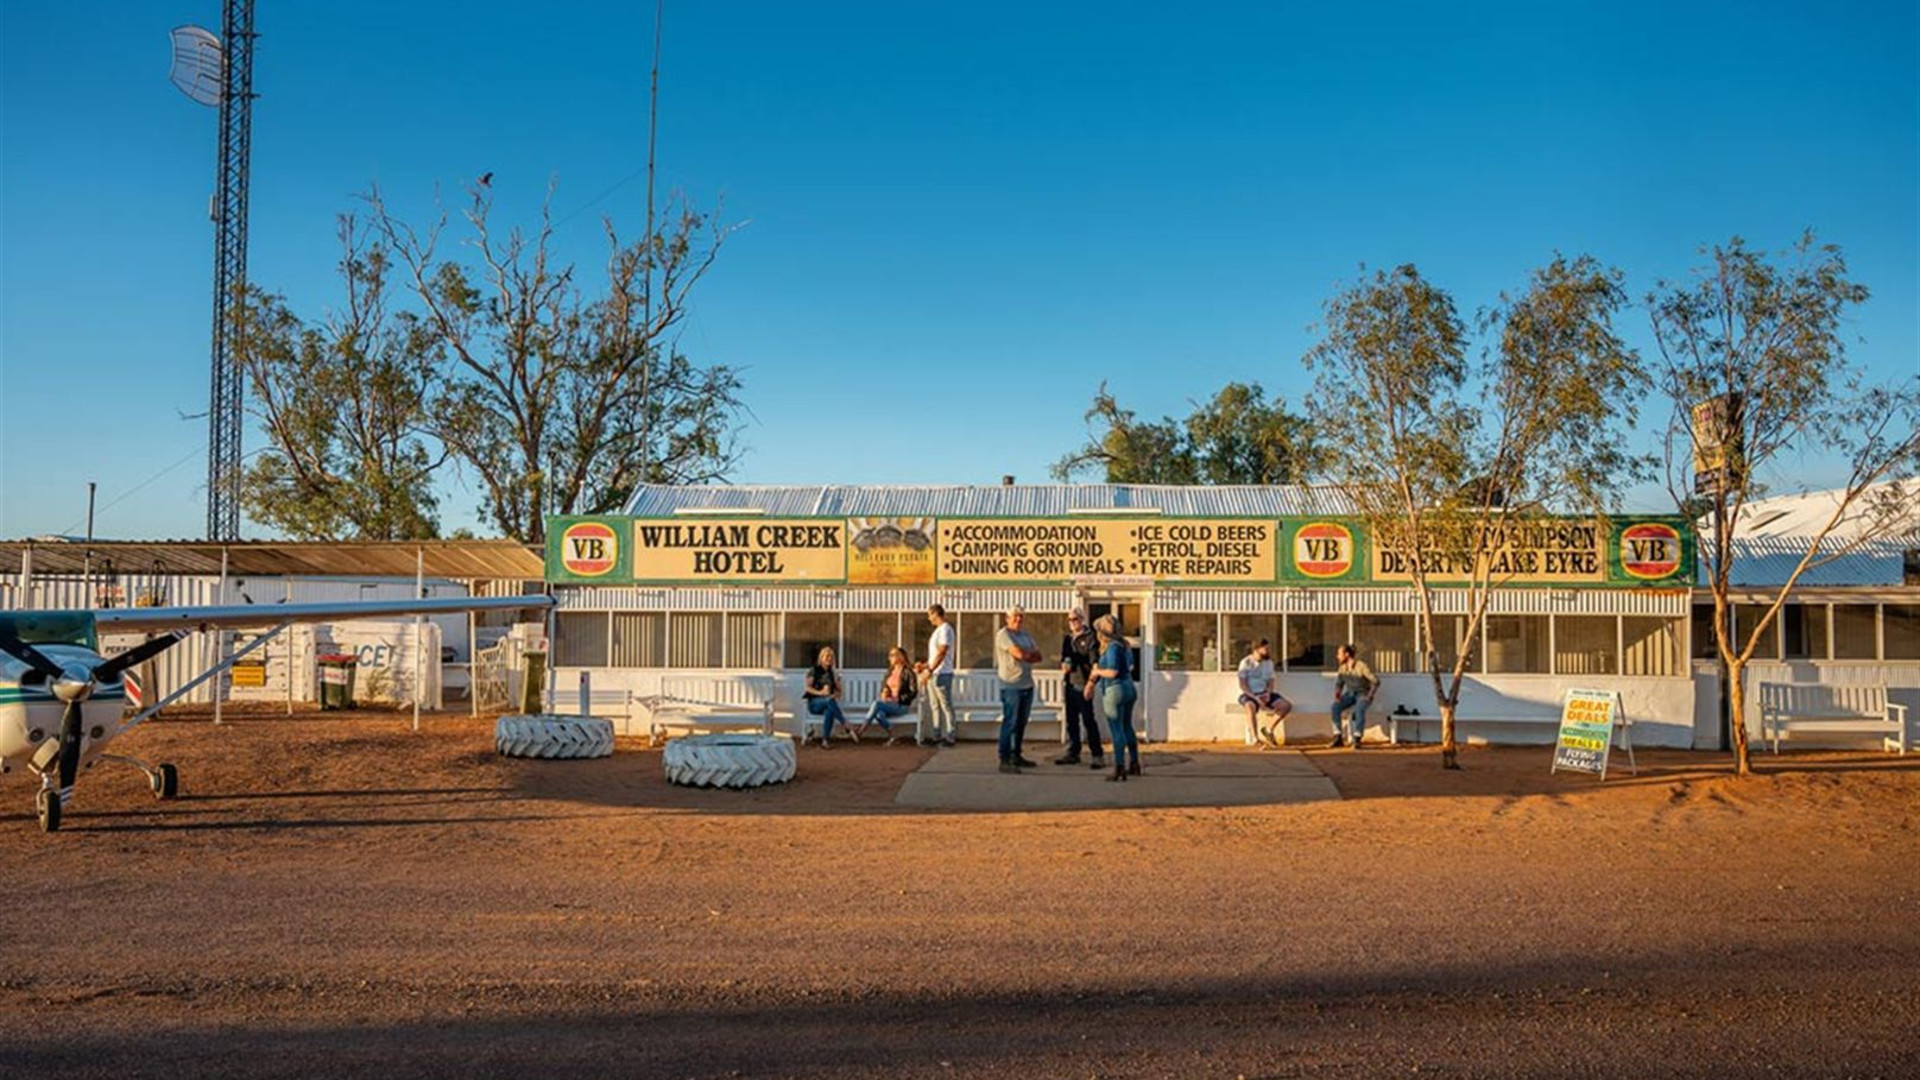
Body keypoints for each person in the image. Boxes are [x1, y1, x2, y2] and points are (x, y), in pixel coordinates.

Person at [1088, 613, 1140, 781]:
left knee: (1116, 729)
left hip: (1114, 689)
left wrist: (1097, 671)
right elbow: (1130, 666)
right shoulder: (1125, 645)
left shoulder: (1112, 648)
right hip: (1129, 687)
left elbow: (1112, 672)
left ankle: (1119, 766)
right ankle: (1134, 762)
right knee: (1127, 726)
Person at [994, 604, 1045, 773]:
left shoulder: (1025, 635)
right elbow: (1018, 653)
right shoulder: (1003, 635)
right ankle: (1004, 759)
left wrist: (1026, 655)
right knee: (1010, 722)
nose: (1018, 619)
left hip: (1027, 685)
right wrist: (1027, 655)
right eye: (1015, 616)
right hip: (1011, 686)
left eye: (1020, 616)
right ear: (1007, 618)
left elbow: (1039, 655)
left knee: (1021, 723)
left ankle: (1016, 755)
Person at [1055, 607, 1106, 769]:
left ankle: (1097, 755)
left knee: (1088, 720)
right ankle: (1073, 752)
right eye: (1069, 620)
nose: (1072, 623)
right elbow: (1064, 659)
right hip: (1070, 683)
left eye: (1075, 619)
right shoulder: (1068, 639)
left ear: (1082, 619)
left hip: (1083, 684)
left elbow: (1095, 663)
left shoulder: (1090, 637)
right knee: (1071, 721)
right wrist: (1064, 666)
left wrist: (1091, 683)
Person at [1237, 638, 1292, 748]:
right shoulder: (1246, 662)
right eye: (1265, 649)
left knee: (1286, 705)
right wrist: (1255, 698)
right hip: (1250, 694)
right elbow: (1242, 685)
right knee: (1250, 707)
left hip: (1264, 693)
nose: (1267, 651)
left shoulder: (1269, 663)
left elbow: (1271, 682)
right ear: (1256, 649)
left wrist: (1268, 694)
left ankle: (1269, 729)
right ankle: (1255, 739)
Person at [858, 647, 917, 745]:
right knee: (879, 714)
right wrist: (884, 692)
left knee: (876, 704)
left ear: (900, 657)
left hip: (901, 705)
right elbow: (884, 687)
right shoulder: (890, 672)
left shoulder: (908, 672)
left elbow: (913, 692)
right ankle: (894, 736)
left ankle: (860, 730)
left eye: (892, 655)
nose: (889, 658)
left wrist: (899, 698)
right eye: (889, 655)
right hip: (889, 704)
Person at [919, 604, 958, 747]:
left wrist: (929, 670)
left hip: (942, 673)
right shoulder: (937, 631)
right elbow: (935, 655)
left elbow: (942, 652)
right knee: (934, 705)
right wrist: (925, 666)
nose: (929, 618)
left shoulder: (945, 629)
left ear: (936, 614)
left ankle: (950, 736)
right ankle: (936, 736)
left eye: (930, 615)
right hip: (934, 672)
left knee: (946, 705)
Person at [1329, 643, 1377, 749]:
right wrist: (1337, 695)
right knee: (1335, 707)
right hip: (1350, 694)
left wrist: (1369, 695)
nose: (1337, 656)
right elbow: (1339, 684)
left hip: (1363, 694)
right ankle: (1337, 736)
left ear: (1347, 654)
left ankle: (1357, 738)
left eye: (1339, 654)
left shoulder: (1361, 666)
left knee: (1359, 709)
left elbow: (1375, 681)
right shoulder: (1342, 668)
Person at [803, 645, 847, 747]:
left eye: (831, 657)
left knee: (830, 710)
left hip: (828, 703)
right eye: (827, 656)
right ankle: (845, 724)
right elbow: (808, 688)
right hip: (815, 703)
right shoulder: (814, 670)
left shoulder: (833, 673)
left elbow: (839, 691)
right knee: (828, 701)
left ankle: (825, 740)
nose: (829, 659)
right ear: (821, 658)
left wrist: (834, 695)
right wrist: (821, 693)